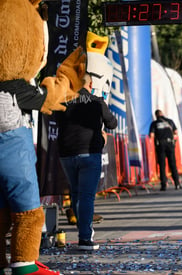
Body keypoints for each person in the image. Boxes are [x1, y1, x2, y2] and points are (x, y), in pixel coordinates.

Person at [56, 73, 117, 250]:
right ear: (90, 84)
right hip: (89, 153)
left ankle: (82, 228)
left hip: (67, 153)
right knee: (87, 196)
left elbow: (57, 121)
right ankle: (84, 238)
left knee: (76, 192)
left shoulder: (62, 101)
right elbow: (112, 123)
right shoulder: (97, 101)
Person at [149, 110, 182, 191]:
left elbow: (151, 135)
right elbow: (175, 132)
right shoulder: (170, 121)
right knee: (173, 164)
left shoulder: (154, 123)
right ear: (162, 114)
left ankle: (163, 185)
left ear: (156, 115)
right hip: (170, 144)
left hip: (160, 145)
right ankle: (177, 184)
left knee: (162, 165)